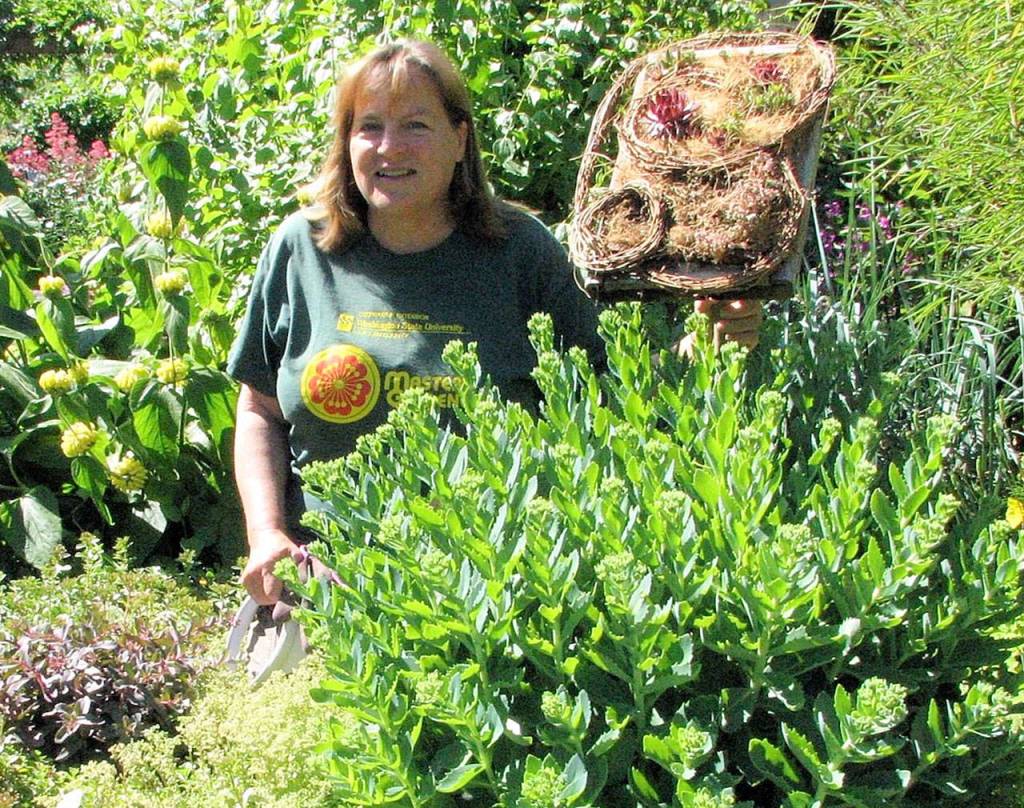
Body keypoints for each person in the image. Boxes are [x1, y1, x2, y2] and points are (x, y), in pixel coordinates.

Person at [227, 39, 763, 605]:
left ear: (460, 140)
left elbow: (605, 396)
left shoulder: (519, 252)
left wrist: (705, 347)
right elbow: (259, 409)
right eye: (370, 127)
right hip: (326, 590)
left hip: (497, 588)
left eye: (415, 125)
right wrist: (267, 535)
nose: (389, 147)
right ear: (347, 141)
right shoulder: (303, 249)